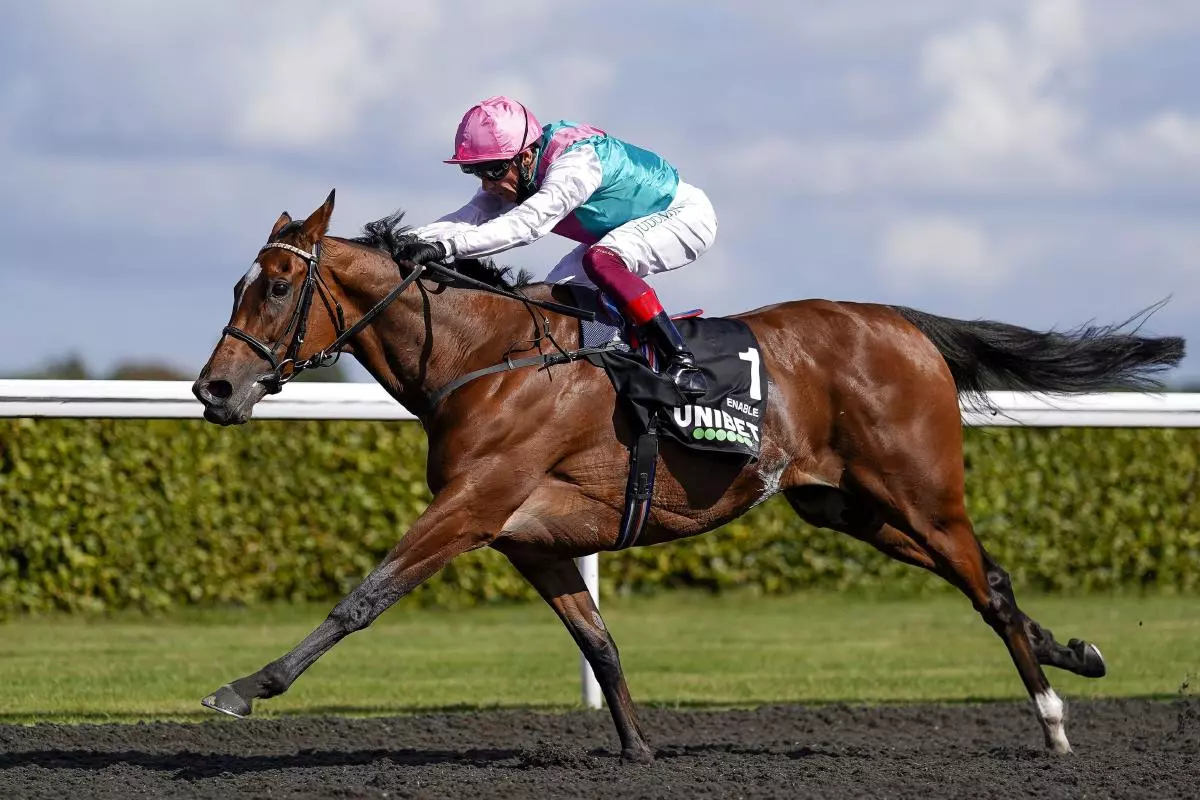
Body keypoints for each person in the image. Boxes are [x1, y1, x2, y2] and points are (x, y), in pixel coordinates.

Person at [406, 95, 718, 399]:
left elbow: (526, 225)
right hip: (622, 230)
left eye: (494, 170)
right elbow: (470, 217)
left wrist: (445, 247)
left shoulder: (575, 166)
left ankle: (681, 361)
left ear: (525, 156)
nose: (487, 183)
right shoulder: (517, 172)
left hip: (683, 217)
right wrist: (408, 240)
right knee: (551, 305)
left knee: (600, 260)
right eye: (476, 171)